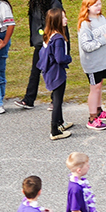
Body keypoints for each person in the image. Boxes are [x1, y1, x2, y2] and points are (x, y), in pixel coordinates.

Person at [17, 0, 62, 109]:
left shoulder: (54, 4)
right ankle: (29, 99)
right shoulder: (36, 2)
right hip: (40, 43)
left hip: (53, 43)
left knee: (53, 71)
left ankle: (55, 100)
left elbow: (58, 25)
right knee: (35, 70)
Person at [77, 0, 106, 130]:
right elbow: (86, 46)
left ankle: (99, 111)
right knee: (94, 88)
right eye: (95, 5)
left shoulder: (102, 18)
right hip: (92, 63)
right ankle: (92, 118)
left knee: (99, 86)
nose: (99, 7)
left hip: (103, 60)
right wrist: (103, 39)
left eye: (100, 4)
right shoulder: (85, 24)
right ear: (87, 7)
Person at [39, 8, 72, 140]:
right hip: (57, 73)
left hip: (49, 71)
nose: (66, 20)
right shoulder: (58, 38)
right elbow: (60, 58)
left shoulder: (49, 35)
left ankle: (61, 122)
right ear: (57, 21)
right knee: (58, 100)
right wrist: (69, 58)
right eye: (63, 18)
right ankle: (55, 131)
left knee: (56, 97)